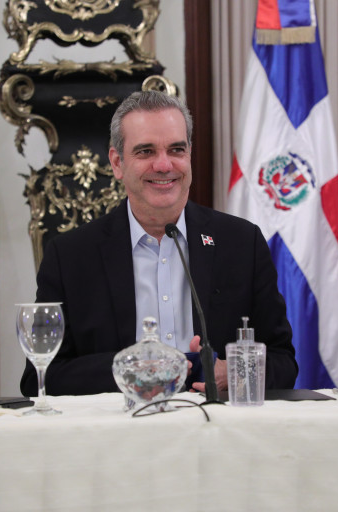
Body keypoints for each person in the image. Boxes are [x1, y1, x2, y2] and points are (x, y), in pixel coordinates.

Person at [20, 90, 298, 397]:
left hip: (213, 423)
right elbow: (39, 376)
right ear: (117, 163)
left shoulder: (242, 244)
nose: (164, 165)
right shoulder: (70, 256)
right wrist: (128, 372)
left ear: (189, 155)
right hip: (120, 423)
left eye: (176, 149)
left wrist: (236, 372)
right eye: (146, 151)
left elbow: (283, 361)